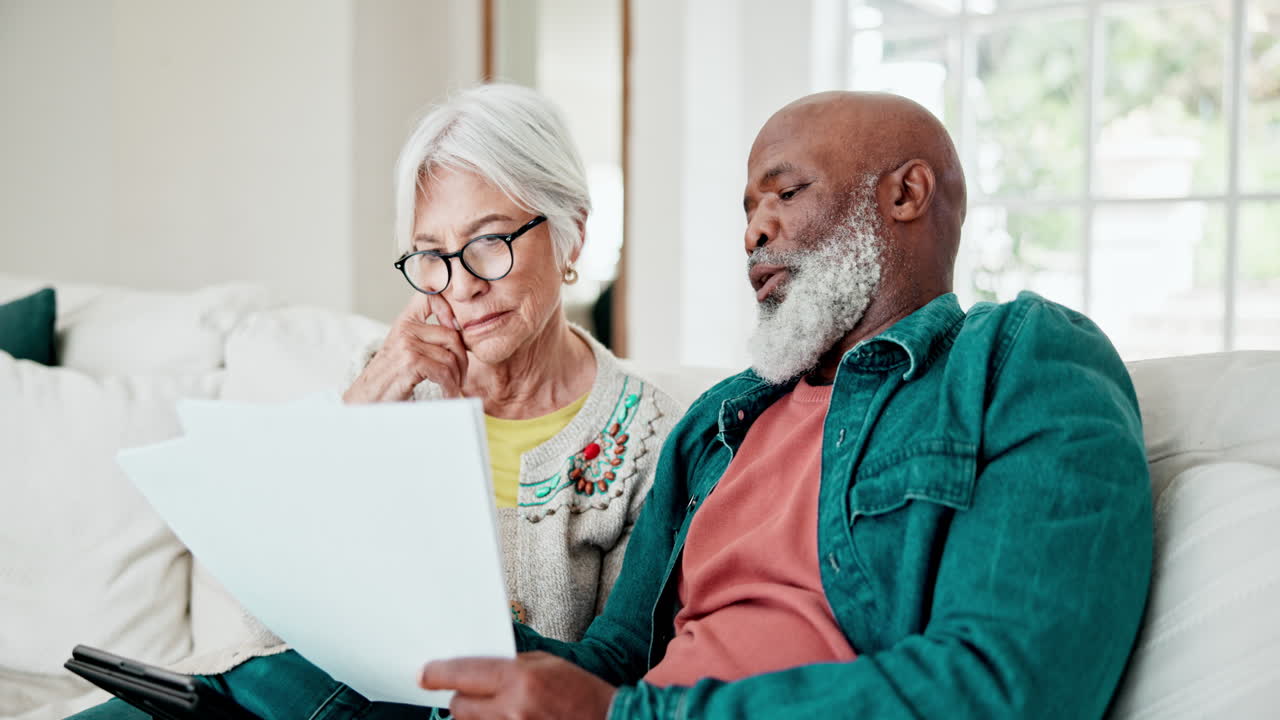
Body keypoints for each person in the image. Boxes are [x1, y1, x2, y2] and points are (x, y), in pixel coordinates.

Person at [419, 91, 1155, 719]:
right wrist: (420, 625)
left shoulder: (1020, 361)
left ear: (905, 194)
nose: (752, 232)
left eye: (786, 193)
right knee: (314, 681)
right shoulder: (718, 424)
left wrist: (624, 715)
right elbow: (617, 657)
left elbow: (1010, 686)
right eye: (747, 208)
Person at [70, 84, 682, 719]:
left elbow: (610, 681)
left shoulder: (652, 440)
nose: (462, 286)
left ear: (572, 235)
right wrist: (363, 403)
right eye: (433, 256)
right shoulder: (388, 382)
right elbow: (266, 615)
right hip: (274, 693)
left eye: (489, 242)